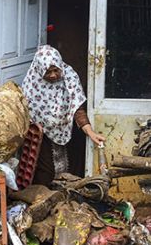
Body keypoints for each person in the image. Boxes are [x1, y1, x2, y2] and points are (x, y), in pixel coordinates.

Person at [22, 45, 105, 186]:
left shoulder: (69, 76)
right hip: (43, 135)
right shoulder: (31, 83)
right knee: (45, 172)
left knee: (74, 171)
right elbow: (26, 113)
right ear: (39, 70)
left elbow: (77, 108)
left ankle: (72, 197)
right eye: (48, 72)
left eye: (56, 70)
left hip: (68, 131)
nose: (53, 75)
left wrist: (90, 132)